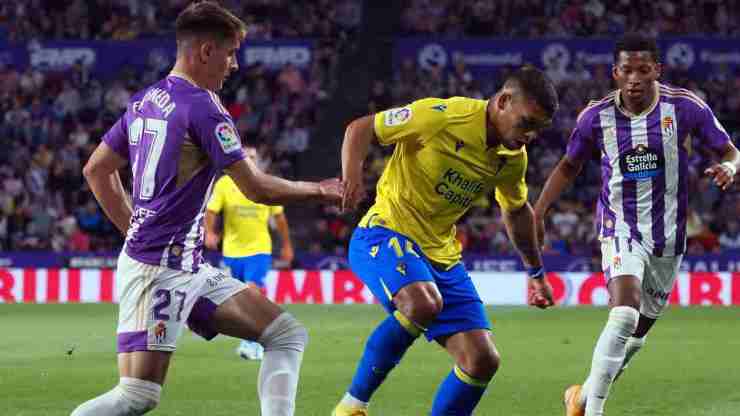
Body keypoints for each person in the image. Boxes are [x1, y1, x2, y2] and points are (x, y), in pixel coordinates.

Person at [72, 2, 342, 416]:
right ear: (205, 51)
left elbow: (96, 169)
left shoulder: (146, 100)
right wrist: (320, 190)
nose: (234, 65)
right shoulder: (204, 107)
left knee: (286, 335)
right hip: (159, 269)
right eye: (230, 53)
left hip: (187, 265)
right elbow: (256, 188)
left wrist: (134, 228)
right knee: (137, 395)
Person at [333, 66, 559, 416]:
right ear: (503, 101)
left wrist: (536, 273)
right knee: (422, 303)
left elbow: (516, 212)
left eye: (538, 129)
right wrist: (352, 178)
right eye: (526, 123)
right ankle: (351, 407)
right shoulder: (441, 117)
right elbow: (361, 129)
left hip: (440, 254)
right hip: (385, 231)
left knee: (482, 360)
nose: (530, 135)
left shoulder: (513, 158)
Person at [533, 33, 739, 416]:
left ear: (657, 70)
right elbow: (569, 165)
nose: (635, 79)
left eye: (643, 69)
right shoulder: (596, 117)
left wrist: (729, 166)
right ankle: (593, 413)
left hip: (669, 237)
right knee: (624, 314)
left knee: (635, 337)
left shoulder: (685, 107)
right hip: (620, 227)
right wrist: (538, 211)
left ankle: (580, 398)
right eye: (627, 70)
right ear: (615, 72)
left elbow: (731, 151)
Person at [205, 146, 295, 360]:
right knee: (238, 300)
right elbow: (211, 211)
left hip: (259, 249)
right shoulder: (225, 184)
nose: (250, 161)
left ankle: (253, 342)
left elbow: (280, 218)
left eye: (254, 157)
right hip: (232, 251)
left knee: (253, 293)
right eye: (247, 157)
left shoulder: (267, 184)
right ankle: (252, 337)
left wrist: (287, 245)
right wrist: (209, 232)